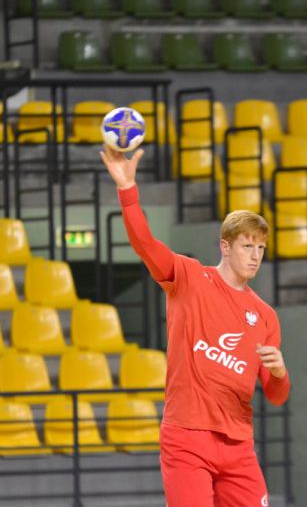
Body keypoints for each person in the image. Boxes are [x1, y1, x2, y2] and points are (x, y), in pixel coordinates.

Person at [100, 146, 290, 507]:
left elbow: (277, 396)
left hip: (238, 446)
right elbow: (145, 243)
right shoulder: (188, 276)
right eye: (247, 245)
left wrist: (279, 373)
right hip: (187, 437)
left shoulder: (266, 316)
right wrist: (127, 189)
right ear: (225, 246)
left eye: (261, 248)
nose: (255, 256)